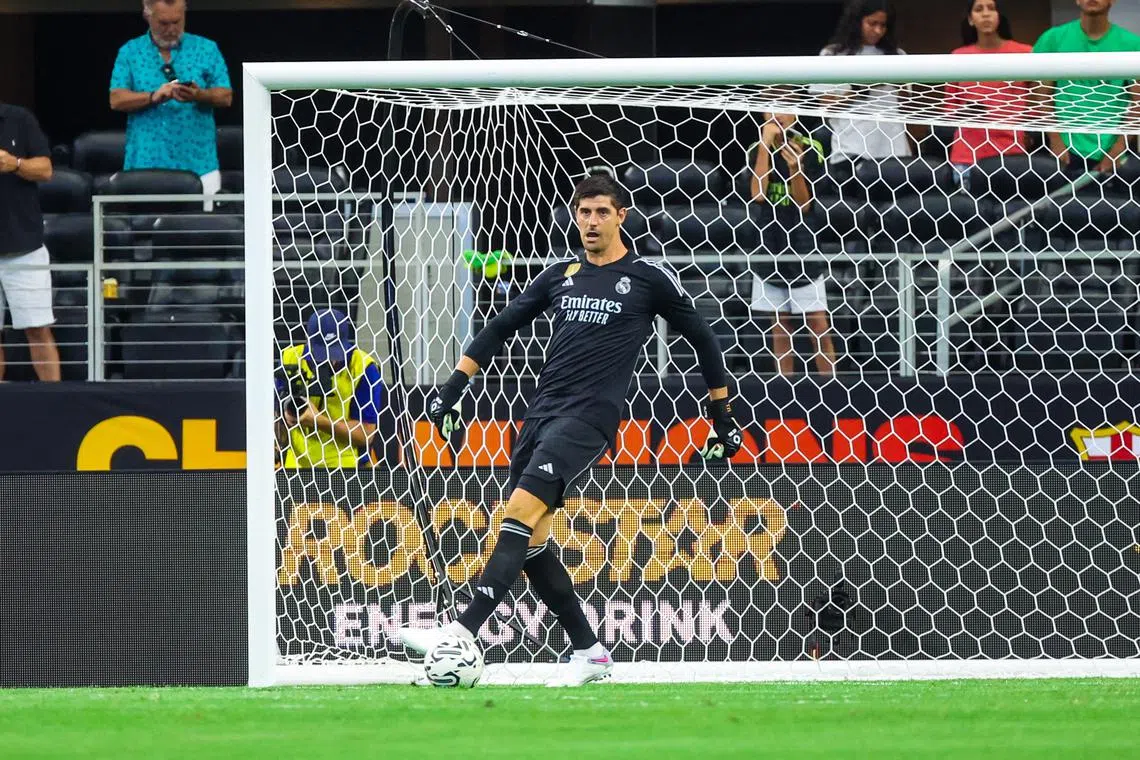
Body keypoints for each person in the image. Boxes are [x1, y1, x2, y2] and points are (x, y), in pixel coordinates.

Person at [398, 173, 743, 687]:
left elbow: (704, 342)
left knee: (516, 513)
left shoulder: (648, 279)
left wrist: (723, 421)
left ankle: (461, 634)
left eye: (602, 212)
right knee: (530, 543)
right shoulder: (560, 275)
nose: (591, 222)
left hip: (588, 420)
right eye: (583, 212)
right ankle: (590, 652)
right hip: (539, 416)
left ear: (621, 216)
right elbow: (497, 328)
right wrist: (452, 390)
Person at [109, 0, 232, 210]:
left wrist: (199, 95)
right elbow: (116, 99)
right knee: (143, 233)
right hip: (145, 167)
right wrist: (152, 97)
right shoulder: (130, 52)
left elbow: (226, 96)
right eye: (163, 23)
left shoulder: (207, 49)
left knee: (203, 234)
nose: (171, 29)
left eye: (177, 22)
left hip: (200, 165)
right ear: (148, 16)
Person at [747, 113, 837, 376]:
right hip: (769, 245)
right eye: (770, 108)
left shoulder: (812, 146)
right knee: (779, 326)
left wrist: (795, 169)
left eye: (783, 107)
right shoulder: (756, 149)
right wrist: (765, 145)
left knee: (817, 324)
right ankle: (784, 392)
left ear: (795, 113)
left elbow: (805, 204)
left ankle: (832, 388)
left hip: (803, 245)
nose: (776, 115)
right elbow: (758, 194)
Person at [810, 0, 912, 194]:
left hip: (893, 150)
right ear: (856, 21)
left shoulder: (896, 56)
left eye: (883, 25)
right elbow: (825, 107)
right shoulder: (833, 55)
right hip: (851, 150)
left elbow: (908, 105)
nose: (877, 30)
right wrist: (857, 88)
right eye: (872, 23)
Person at [1033, 0, 1140, 176]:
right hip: (1064, 152)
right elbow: (1041, 95)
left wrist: (1118, 149)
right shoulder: (1052, 39)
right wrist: (1055, 141)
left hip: (1112, 152)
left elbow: (1138, 104)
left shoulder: (1132, 44)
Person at [275, 309, 385, 468]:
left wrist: (318, 421)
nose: (328, 359)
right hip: (297, 468)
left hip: (347, 468)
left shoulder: (363, 367)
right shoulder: (289, 359)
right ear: (307, 340)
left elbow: (366, 434)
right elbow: (274, 419)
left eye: (334, 351)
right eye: (321, 352)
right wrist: (285, 419)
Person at [0, 102, 61, 383]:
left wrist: (15, 164)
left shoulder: (18, 119)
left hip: (24, 247)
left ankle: (56, 405)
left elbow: (46, 170)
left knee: (37, 329)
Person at [946, 0, 1034, 184]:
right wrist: (968, 112)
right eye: (979, 9)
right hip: (967, 157)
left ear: (1000, 15)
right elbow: (949, 110)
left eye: (991, 9)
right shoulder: (957, 57)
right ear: (970, 19)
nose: (986, 14)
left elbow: (1036, 103)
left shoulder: (1024, 54)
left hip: (1012, 154)